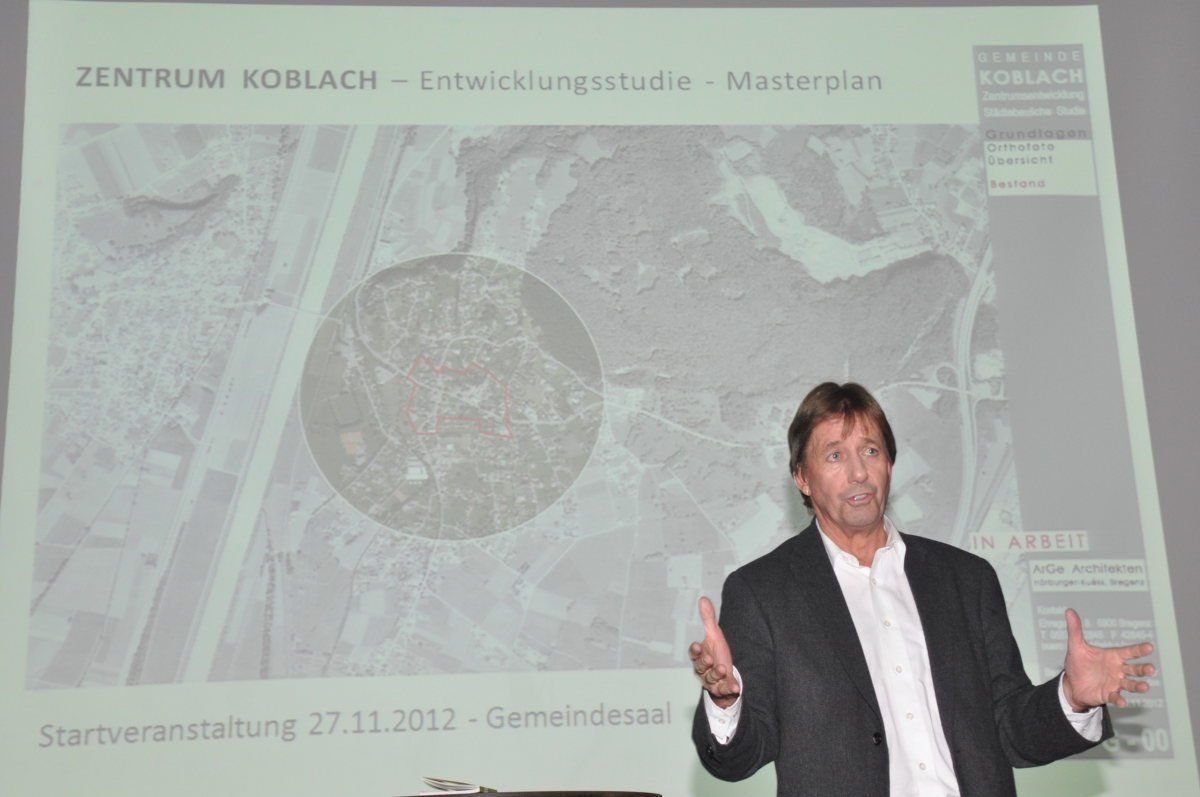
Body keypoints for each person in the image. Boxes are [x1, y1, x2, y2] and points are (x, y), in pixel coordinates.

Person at [689, 382, 1155, 797]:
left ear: (890, 464)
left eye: (871, 451)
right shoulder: (763, 592)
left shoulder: (966, 579)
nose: (858, 472)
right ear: (802, 478)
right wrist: (725, 700)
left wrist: (1071, 696)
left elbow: (1011, 731)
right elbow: (738, 759)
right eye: (835, 456)